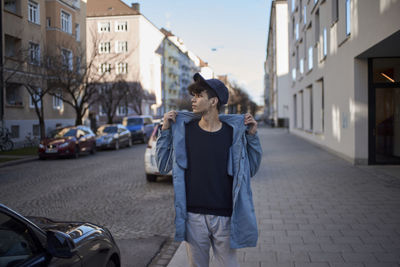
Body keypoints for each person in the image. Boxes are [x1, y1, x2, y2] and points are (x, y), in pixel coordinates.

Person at [156, 73, 262, 267]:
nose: (193, 100)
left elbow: (251, 170)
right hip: (194, 216)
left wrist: (253, 137)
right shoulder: (185, 130)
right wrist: (164, 131)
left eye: (198, 95)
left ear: (213, 101)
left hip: (226, 216)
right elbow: (163, 167)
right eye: (193, 95)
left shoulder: (233, 134)